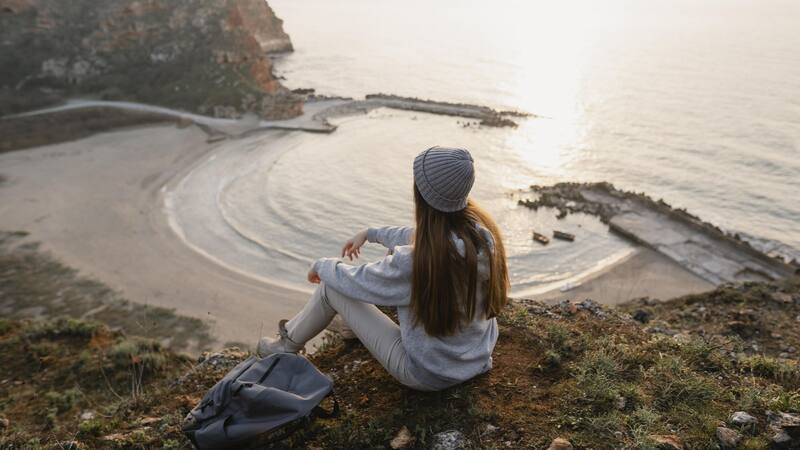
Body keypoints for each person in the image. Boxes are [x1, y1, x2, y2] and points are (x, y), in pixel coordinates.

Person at [257, 146, 509, 391]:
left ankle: (285, 346)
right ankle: (350, 328)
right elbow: (422, 237)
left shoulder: (416, 262)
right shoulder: (482, 238)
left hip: (426, 374)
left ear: (421, 195)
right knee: (388, 261)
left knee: (330, 289)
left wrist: (320, 265)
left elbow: (356, 279)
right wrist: (372, 233)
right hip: (475, 360)